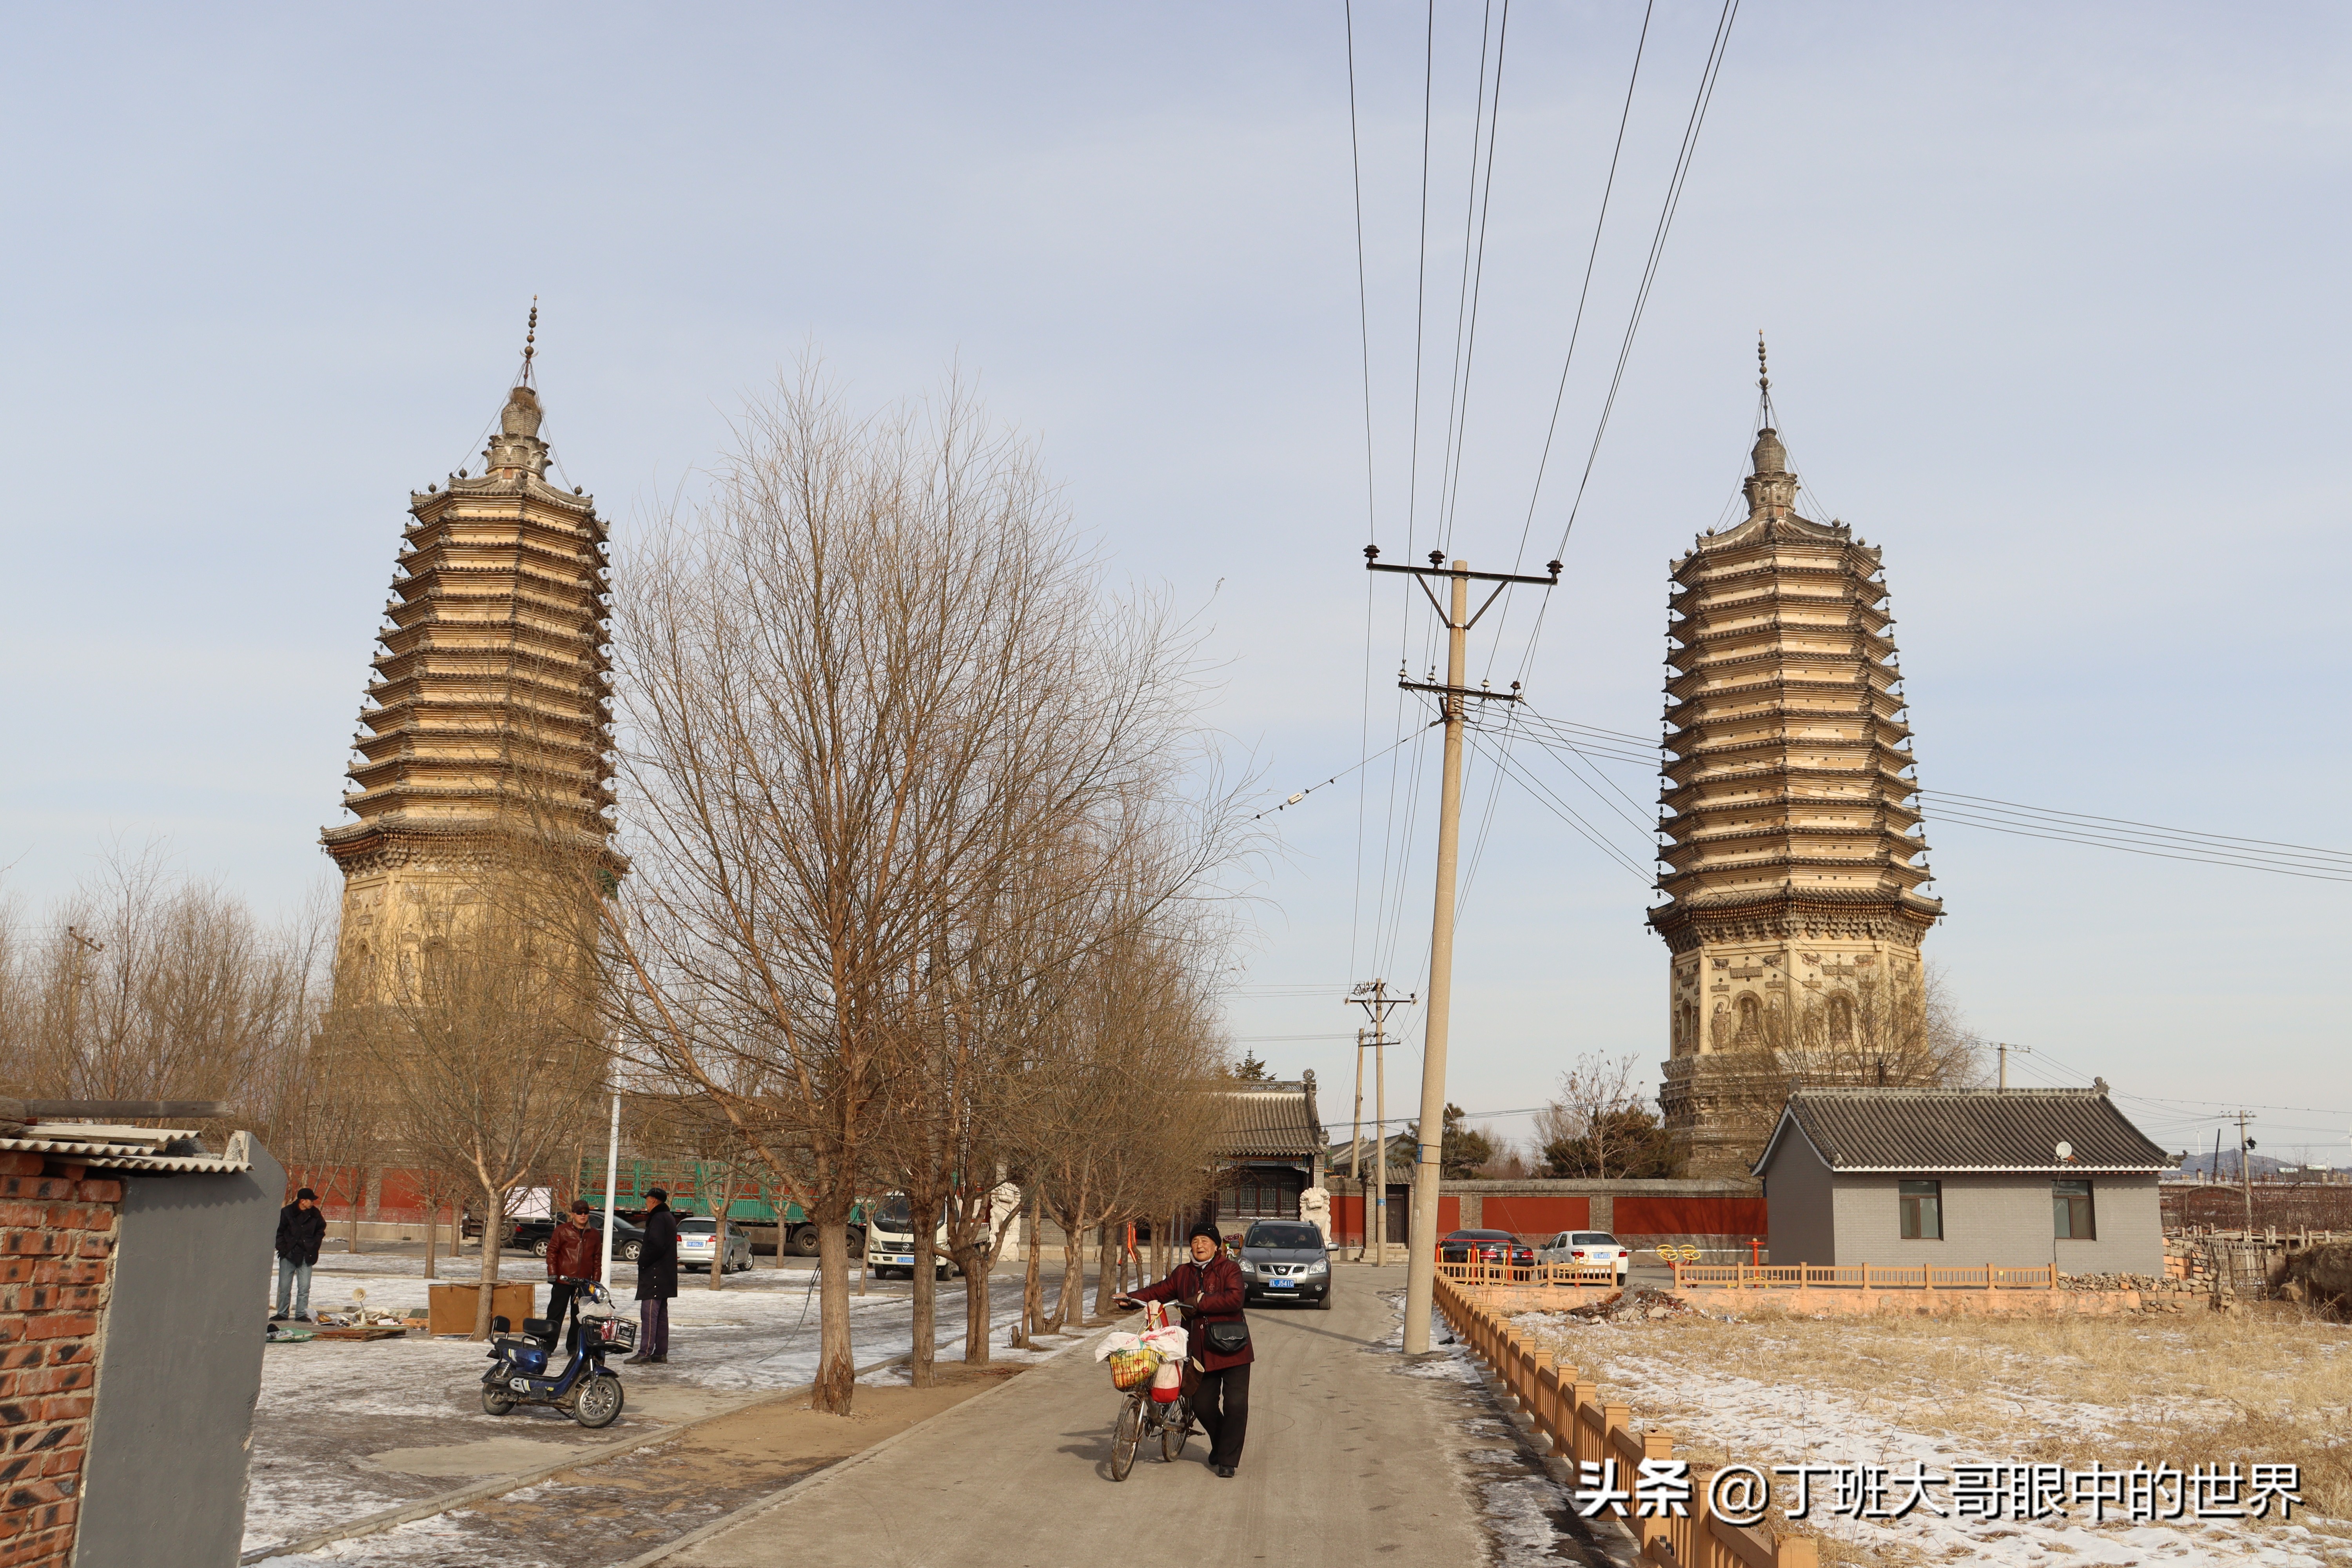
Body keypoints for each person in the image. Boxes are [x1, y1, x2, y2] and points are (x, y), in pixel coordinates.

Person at [1119, 1220, 1252, 1478]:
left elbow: (1235, 1298)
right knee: (1201, 1404)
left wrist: (1201, 1302)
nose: (1199, 1245)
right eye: (1195, 1241)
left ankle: (1228, 1461)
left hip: (1233, 1348)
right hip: (1201, 1352)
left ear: (1215, 1246)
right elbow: (1159, 1291)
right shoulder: (1183, 1274)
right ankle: (1223, 1443)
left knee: (1236, 1405)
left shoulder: (1230, 1269)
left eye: (1205, 1241)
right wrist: (1131, 1299)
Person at [626, 1187, 679, 1365]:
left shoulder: (658, 1218)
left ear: (654, 1201)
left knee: (649, 1314)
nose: (646, 1203)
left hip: (655, 1275)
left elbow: (656, 1246)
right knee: (661, 1315)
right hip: (665, 1275)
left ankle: (645, 1352)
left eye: (647, 1199)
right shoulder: (668, 1217)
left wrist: (643, 1262)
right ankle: (660, 1353)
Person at [544, 1198, 604, 1330]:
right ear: (572, 1214)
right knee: (555, 1314)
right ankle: (548, 1346)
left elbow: (597, 1259)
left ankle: (574, 1348)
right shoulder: (562, 1230)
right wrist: (552, 1273)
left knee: (579, 1317)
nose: (583, 1215)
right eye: (579, 1212)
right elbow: (552, 1252)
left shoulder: (594, 1234)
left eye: (586, 1212)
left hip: (584, 1283)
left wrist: (596, 1282)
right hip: (563, 1280)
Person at [273, 1187, 326, 1321]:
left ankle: (301, 1314)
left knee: (304, 1287)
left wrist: (314, 1245)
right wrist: (283, 1247)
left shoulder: (315, 1214)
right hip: (289, 1255)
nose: (313, 1202)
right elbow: (278, 1231)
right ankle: (282, 1313)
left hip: (307, 1255)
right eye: (311, 1200)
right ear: (303, 1201)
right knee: (284, 1286)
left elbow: (321, 1230)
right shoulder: (287, 1212)